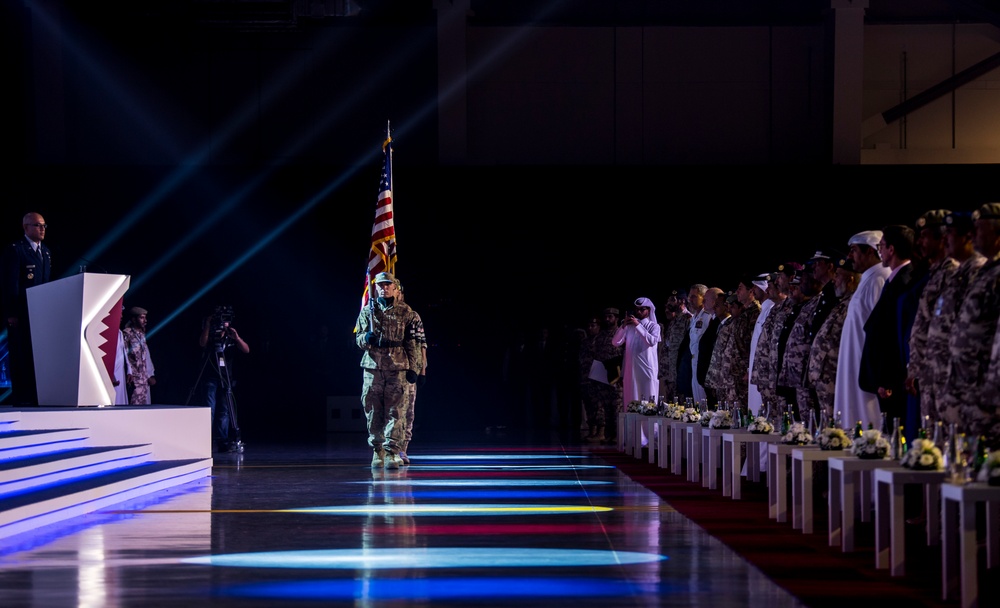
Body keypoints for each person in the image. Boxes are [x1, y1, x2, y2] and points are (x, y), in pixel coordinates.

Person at [355, 271, 424, 468]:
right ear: (376, 288)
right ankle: (377, 450)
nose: (384, 288)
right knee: (372, 409)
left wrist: (414, 368)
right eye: (380, 285)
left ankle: (392, 451)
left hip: (397, 366)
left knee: (396, 411)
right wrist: (365, 339)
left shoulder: (406, 312)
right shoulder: (368, 311)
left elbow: (413, 344)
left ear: (395, 288)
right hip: (373, 367)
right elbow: (358, 338)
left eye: (387, 285)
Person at [858, 224, 920, 434]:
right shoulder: (895, 280)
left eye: (881, 246)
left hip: (893, 379)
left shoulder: (906, 281)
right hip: (885, 378)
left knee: (896, 433)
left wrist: (887, 379)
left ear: (891, 249)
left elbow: (895, 335)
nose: (880, 251)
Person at [834, 230, 891, 430]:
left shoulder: (880, 278)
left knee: (868, 423)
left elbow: (882, 331)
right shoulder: (869, 277)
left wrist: (880, 375)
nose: (849, 256)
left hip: (866, 370)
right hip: (854, 366)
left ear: (870, 252)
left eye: (854, 250)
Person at [1, 212, 52, 405]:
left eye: (44, 225)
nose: (42, 229)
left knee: (36, 356)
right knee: (20, 355)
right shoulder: (16, 250)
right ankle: (22, 398)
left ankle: (37, 395)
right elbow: (9, 284)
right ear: (25, 227)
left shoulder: (45, 252)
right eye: (38, 225)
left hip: (39, 314)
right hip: (21, 313)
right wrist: (12, 313)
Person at [199, 305, 250, 452]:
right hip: (210, 376)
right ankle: (206, 441)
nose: (224, 323)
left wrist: (237, 338)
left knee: (224, 411)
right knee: (210, 409)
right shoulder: (210, 335)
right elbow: (202, 343)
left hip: (226, 377)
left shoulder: (231, 337)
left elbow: (246, 350)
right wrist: (208, 325)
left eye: (226, 320)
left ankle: (222, 441)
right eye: (222, 319)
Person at [395, 278, 427, 464]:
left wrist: (422, 370)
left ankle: (403, 448)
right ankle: (389, 448)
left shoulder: (412, 316)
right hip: (392, 369)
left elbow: (421, 345)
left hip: (410, 369)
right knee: (392, 411)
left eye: (399, 292)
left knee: (408, 410)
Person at [122, 306, 156, 405]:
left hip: (144, 380)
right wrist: (129, 373)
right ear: (134, 319)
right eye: (142, 318)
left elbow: (146, 357)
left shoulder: (141, 334)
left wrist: (150, 375)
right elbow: (124, 356)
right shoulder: (127, 334)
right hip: (134, 380)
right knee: (133, 408)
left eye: (145, 318)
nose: (145, 321)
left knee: (144, 409)